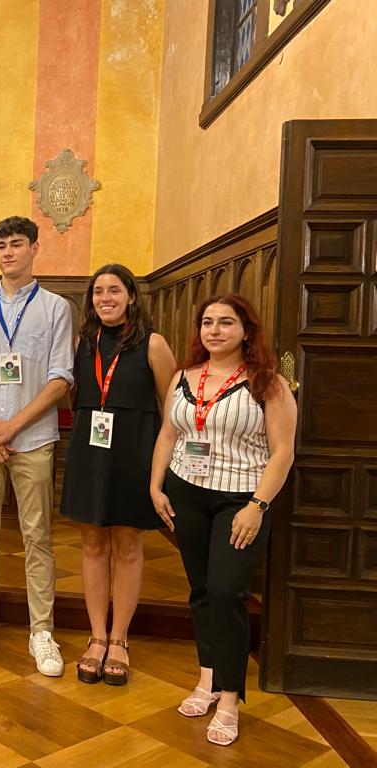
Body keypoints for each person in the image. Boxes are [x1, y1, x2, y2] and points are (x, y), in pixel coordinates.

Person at [151, 294, 296, 747]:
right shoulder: (182, 376)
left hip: (240, 499)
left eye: (226, 323)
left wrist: (258, 506)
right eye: (207, 322)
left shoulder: (269, 383)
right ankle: (208, 678)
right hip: (186, 494)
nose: (214, 330)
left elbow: (282, 452)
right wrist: (156, 487)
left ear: (246, 331)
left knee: (227, 592)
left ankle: (231, 696)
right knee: (199, 590)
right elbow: (169, 434)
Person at [0, 215, 74, 676]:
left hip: (33, 439)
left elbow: (61, 379)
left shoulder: (56, 308)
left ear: (34, 249)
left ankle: (41, 630)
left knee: (37, 537)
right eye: (1, 245)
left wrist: (11, 428)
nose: (7, 252)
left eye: (17, 244)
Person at [59, 264, 176, 685]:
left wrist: (161, 471)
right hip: (90, 451)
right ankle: (95, 637)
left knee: (127, 544)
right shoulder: (81, 342)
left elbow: (173, 410)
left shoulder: (154, 344)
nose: (104, 298)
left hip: (135, 452)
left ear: (131, 296)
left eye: (113, 290)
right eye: (97, 292)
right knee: (92, 543)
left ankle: (120, 640)